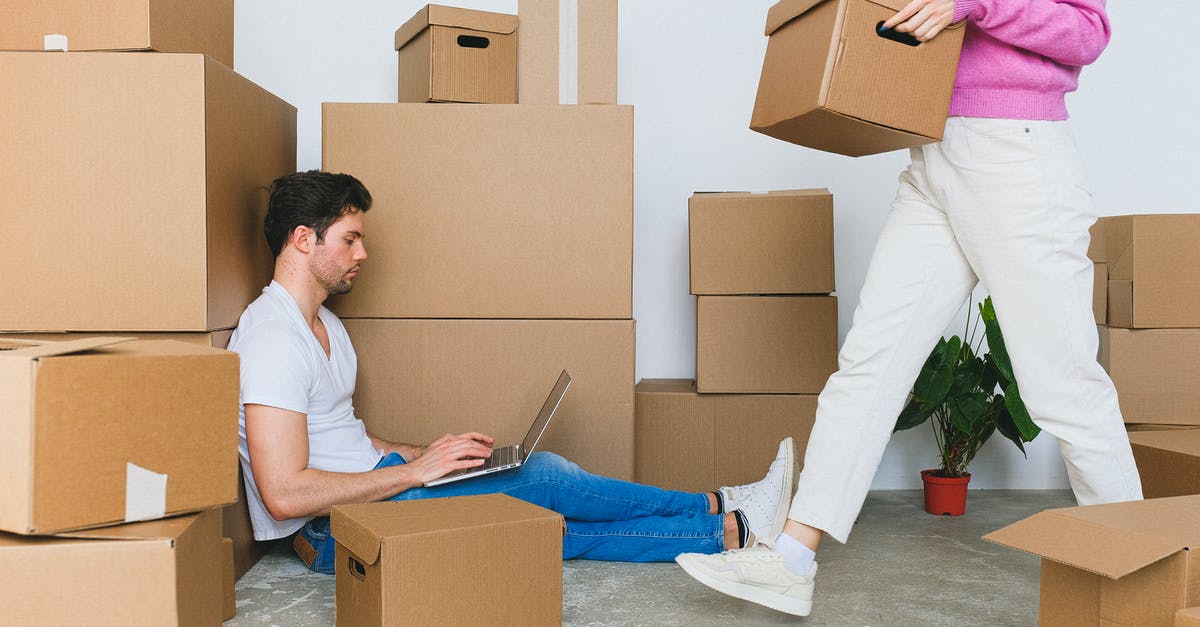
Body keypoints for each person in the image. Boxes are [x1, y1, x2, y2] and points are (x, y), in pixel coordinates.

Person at [675, 0, 1142, 617]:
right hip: (931, 148)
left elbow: (1088, 32)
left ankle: (1144, 580)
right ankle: (791, 558)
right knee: (871, 361)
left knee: (1065, 385)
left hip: (1017, 156)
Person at [230, 169, 797, 574]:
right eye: (350, 239)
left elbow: (340, 435)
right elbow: (284, 494)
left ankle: (730, 524)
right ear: (304, 239)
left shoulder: (321, 323)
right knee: (545, 482)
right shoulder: (274, 339)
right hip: (336, 530)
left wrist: (427, 453)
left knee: (540, 514)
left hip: (373, 492)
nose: (363, 254)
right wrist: (415, 473)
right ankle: (721, 510)